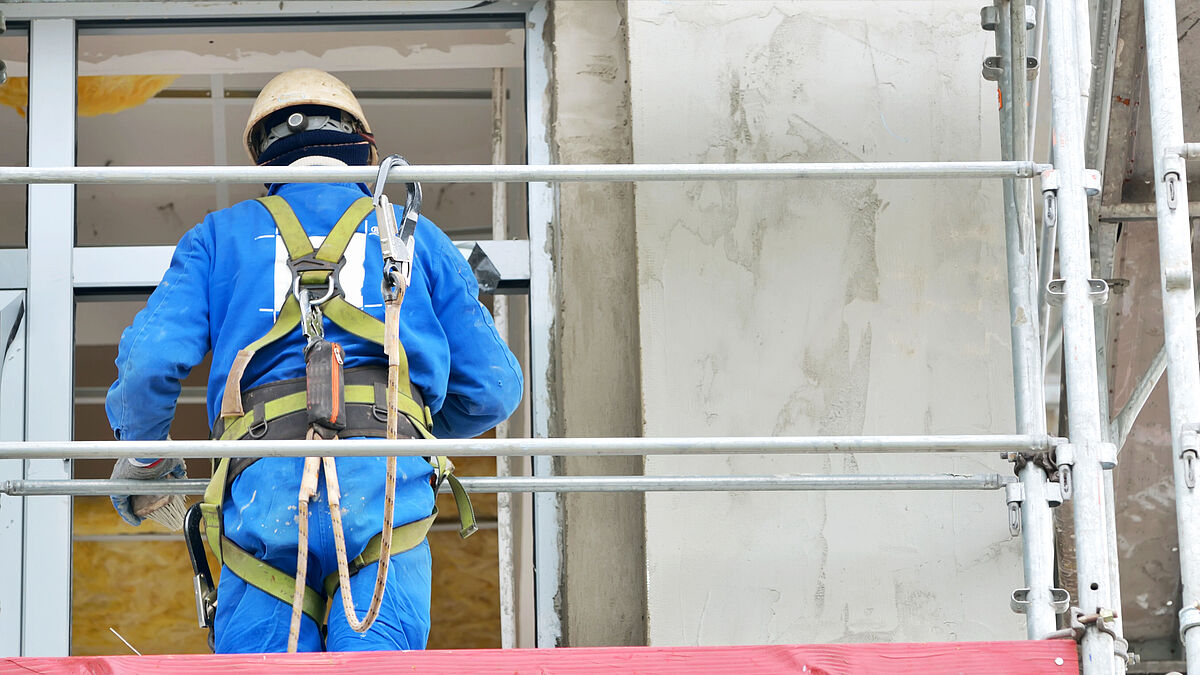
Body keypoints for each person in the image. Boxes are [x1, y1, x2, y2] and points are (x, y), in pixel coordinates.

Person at [104, 68, 523, 653]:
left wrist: (147, 458)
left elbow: (149, 364)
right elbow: (495, 388)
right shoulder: (413, 236)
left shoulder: (220, 236)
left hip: (265, 492)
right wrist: (405, 426)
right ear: (361, 147)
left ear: (264, 156)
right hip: (384, 490)